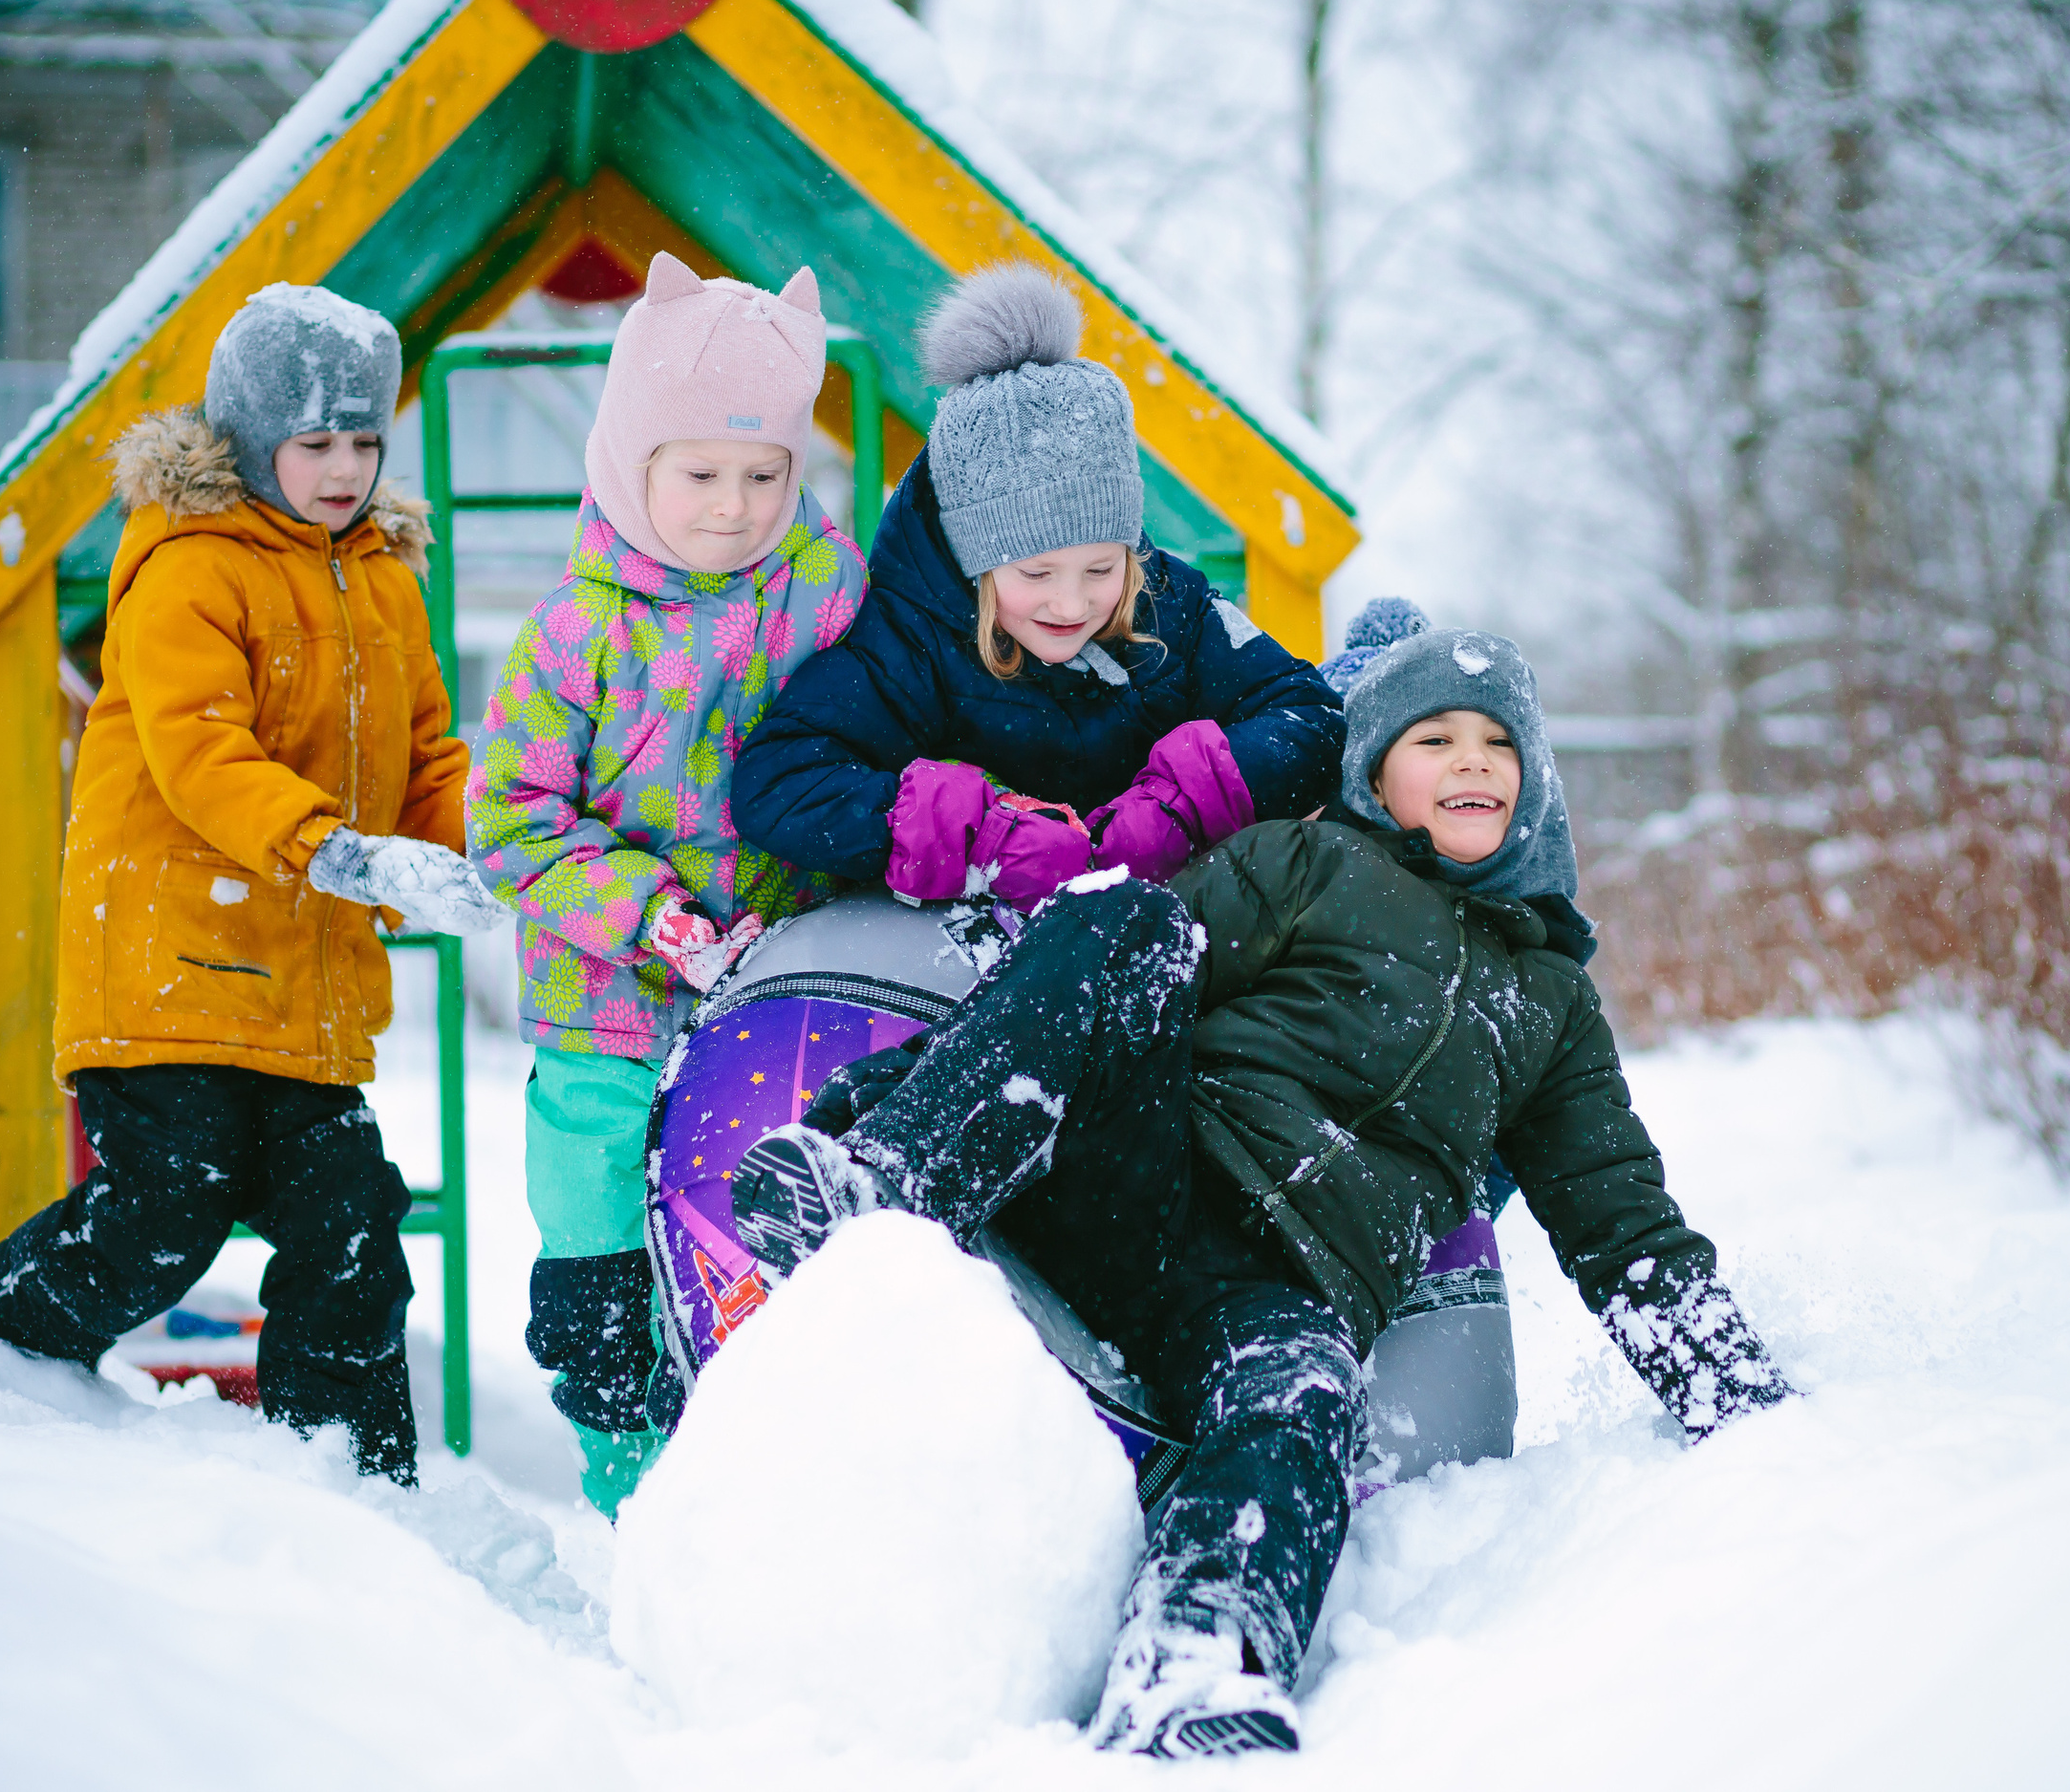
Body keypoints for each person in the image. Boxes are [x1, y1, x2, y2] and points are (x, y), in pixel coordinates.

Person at [724, 622, 1797, 1759]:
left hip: (1280, 1286)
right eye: (1435, 737)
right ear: (1376, 772)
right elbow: (1099, 978)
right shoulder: (1310, 862)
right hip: (1146, 1177)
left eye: (1498, 742)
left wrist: (1732, 1392)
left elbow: (1617, 1217)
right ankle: (885, 1178)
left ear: (1532, 788)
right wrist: (863, 1105)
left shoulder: (1552, 1003)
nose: (1473, 759)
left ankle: (1199, 1651)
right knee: (1127, 916)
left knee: (1304, 1397)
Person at [0, 284, 503, 1484]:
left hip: (302, 999)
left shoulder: (383, 581)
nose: (345, 468)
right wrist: (337, 852)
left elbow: (426, 761)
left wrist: (500, 846)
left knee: (354, 1230)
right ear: (255, 442)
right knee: (164, 1217)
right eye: (315, 443)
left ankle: (351, 1475)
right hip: (168, 975)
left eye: (364, 442)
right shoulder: (189, 569)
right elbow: (201, 750)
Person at [464, 253, 868, 1517]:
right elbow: (511, 818)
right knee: (595, 1269)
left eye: (767, 474)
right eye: (702, 473)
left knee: (759, 1254)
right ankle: (627, 1494)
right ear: (633, 460)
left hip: (776, 991)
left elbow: (881, 738)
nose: (738, 505)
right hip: (608, 1006)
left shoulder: (831, 594)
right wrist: (647, 914)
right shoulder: (575, 631)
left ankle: (765, 1497)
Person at [733, 263, 1342, 906]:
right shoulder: (916, 637)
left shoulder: (1168, 606)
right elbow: (781, 779)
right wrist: (982, 837)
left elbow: (1311, 716)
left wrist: (1178, 807)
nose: (1071, 602)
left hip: (1157, 916)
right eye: (1035, 573)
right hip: (962, 944)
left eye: (1101, 569)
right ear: (976, 562)